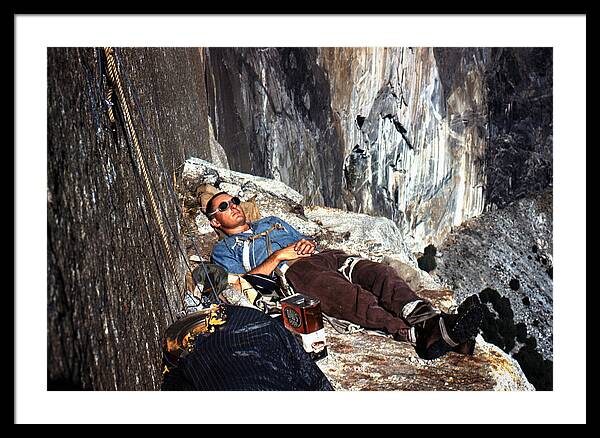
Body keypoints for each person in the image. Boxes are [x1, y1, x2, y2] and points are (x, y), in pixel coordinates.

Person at [205, 191, 483, 360]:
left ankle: (431, 320)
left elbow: (306, 240)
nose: (234, 206)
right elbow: (242, 283)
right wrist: (278, 257)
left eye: (235, 201)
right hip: (292, 272)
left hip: (324, 256)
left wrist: (305, 244)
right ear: (216, 221)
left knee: (380, 274)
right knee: (349, 296)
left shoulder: (272, 222)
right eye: (224, 207)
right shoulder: (223, 250)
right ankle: (421, 334)